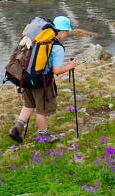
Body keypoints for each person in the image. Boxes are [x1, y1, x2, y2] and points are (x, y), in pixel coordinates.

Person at [8, 15, 77, 144]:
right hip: (42, 81)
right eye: (67, 32)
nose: (66, 35)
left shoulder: (40, 38)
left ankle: (17, 127)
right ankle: (43, 135)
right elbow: (56, 71)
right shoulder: (57, 47)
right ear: (62, 32)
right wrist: (70, 66)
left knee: (29, 104)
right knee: (42, 109)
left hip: (27, 76)